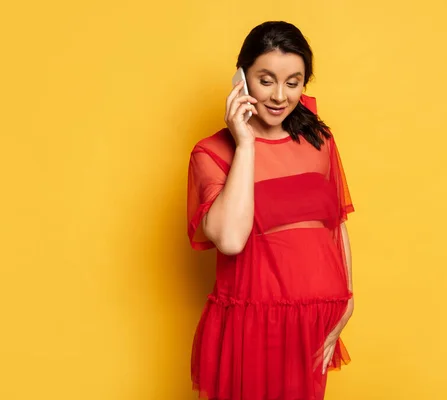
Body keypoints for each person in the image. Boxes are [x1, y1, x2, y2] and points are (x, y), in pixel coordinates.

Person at [187, 21, 355, 400]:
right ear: (241, 79)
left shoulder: (318, 141)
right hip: (251, 328)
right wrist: (245, 144)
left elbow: (335, 224)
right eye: (266, 81)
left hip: (313, 326)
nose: (280, 96)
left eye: (293, 82)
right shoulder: (210, 154)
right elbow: (230, 239)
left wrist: (348, 299)